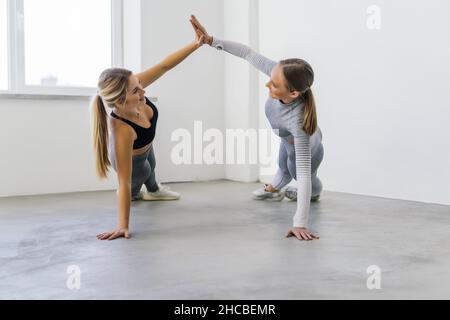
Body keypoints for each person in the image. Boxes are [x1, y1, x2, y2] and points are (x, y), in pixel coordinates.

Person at [190, 15, 324, 241]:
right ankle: (274, 188)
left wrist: (299, 223)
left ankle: (315, 194)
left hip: (308, 149)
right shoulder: (278, 71)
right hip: (285, 140)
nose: (267, 83)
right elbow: (248, 53)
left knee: (300, 173)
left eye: (274, 84)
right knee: (282, 167)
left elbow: (303, 177)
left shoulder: (299, 123)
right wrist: (210, 40)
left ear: (293, 94)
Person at [91, 21, 206, 240]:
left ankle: (153, 191)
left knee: (152, 167)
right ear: (121, 101)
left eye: (139, 84)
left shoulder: (133, 87)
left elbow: (164, 66)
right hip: (131, 161)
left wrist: (196, 44)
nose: (143, 89)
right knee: (140, 174)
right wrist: (122, 226)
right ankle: (139, 194)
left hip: (146, 147)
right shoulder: (121, 131)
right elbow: (122, 183)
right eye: (136, 90)